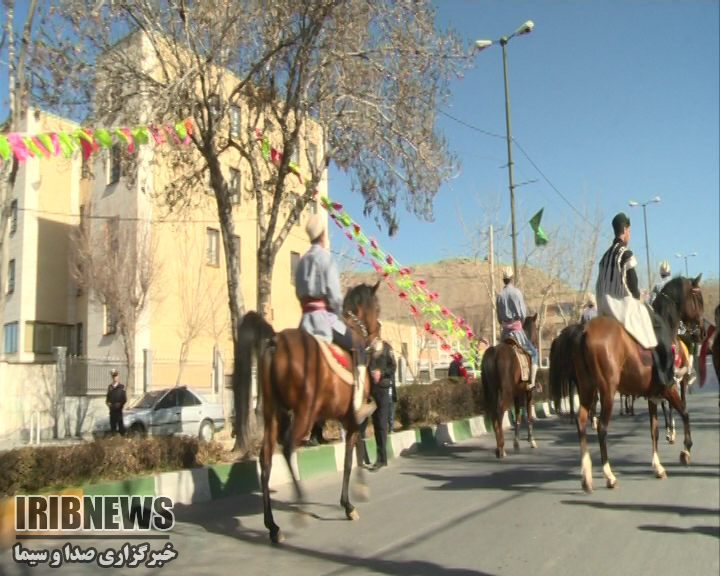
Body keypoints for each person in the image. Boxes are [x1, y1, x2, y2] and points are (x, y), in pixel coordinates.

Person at [295, 213, 375, 423]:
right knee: (359, 345)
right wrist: (337, 312)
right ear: (323, 235)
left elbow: (298, 292)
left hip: (304, 321)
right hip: (325, 320)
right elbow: (335, 296)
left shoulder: (301, 261)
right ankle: (358, 404)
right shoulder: (325, 258)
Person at [595, 212, 673, 390]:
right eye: (629, 230)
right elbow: (632, 283)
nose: (629, 234)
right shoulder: (626, 254)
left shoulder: (604, 257)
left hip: (604, 310)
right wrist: (639, 298)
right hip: (622, 307)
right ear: (624, 230)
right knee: (657, 326)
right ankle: (662, 377)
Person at [496, 267, 539, 391]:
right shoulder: (516, 293)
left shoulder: (499, 295)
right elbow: (522, 314)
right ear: (512, 278)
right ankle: (531, 383)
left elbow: (499, 318)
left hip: (505, 333)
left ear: (503, 279)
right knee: (533, 353)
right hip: (517, 332)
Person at [367, 333, 396, 471]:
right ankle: (380, 458)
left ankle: (382, 458)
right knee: (376, 423)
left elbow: (393, 367)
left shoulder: (386, 348)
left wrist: (381, 373)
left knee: (382, 424)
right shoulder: (369, 350)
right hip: (372, 390)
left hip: (383, 389)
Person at [106, 369, 127, 436]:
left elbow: (124, 399)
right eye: (114, 376)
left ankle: (122, 437)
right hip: (112, 410)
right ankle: (114, 437)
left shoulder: (121, 387)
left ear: (118, 376)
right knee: (113, 426)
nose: (115, 378)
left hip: (118, 410)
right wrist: (108, 403)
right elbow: (107, 398)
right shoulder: (110, 387)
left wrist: (120, 404)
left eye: (116, 376)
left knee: (120, 426)